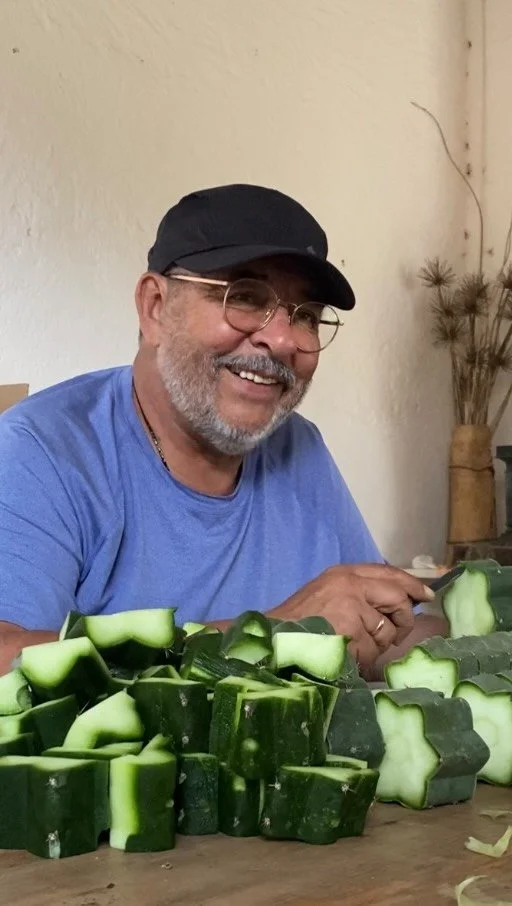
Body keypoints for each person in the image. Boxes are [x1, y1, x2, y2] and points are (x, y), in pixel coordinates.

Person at [0, 183, 445, 677]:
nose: (283, 340)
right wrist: (270, 635)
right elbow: (5, 655)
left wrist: (468, 639)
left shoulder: (299, 447)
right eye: (246, 297)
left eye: (307, 316)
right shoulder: (41, 450)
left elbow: (390, 631)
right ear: (154, 307)